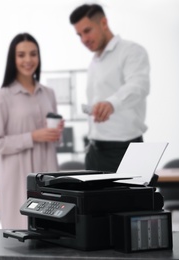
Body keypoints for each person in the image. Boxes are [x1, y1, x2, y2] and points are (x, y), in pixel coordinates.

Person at [0, 33, 63, 229]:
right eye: (21, 55)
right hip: (17, 178)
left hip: (48, 175)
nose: (28, 60)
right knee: (20, 235)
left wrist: (56, 134)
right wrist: (32, 137)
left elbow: (55, 141)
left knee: (52, 233)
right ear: (13, 59)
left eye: (33, 54)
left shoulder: (49, 94)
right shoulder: (2, 97)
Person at [69, 4, 149, 173]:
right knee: (92, 201)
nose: (83, 39)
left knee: (130, 200)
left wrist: (111, 104)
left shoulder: (131, 51)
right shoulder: (94, 62)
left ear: (103, 23)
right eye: (79, 35)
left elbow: (139, 86)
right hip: (95, 152)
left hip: (125, 151)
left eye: (87, 31)